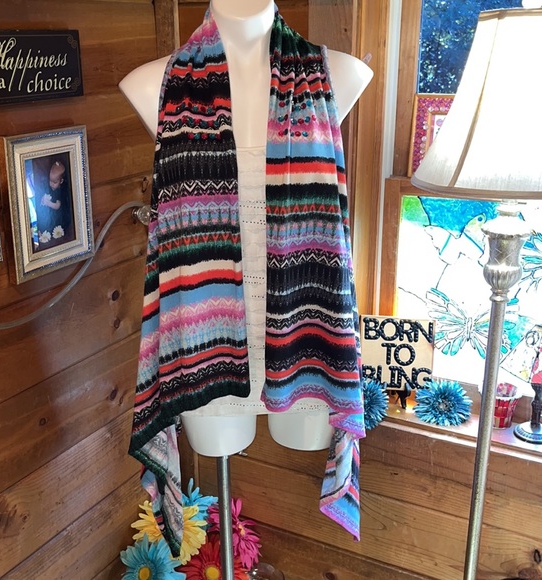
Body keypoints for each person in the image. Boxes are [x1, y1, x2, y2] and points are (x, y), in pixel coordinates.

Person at [121, 0, 373, 551]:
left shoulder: (337, 73)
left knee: (300, 434)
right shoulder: (155, 84)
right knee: (216, 449)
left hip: (307, 342)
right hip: (205, 350)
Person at [33, 158, 74, 250]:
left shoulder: (60, 191)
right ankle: (40, 231)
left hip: (57, 215)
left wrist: (48, 203)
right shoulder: (49, 187)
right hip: (49, 212)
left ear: (61, 181)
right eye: (50, 181)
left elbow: (57, 206)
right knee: (41, 215)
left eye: (54, 182)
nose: (51, 184)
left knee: (52, 224)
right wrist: (43, 200)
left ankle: (46, 232)